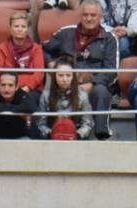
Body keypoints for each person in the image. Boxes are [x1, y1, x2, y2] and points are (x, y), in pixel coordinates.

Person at [43, 0, 119, 131]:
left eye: (93, 15)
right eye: (85, 15)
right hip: (66, 81)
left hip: (94, 85)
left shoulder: (109, 38)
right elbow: (43, 49)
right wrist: (51, 63)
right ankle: (55, 131)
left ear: (100, 17)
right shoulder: (66, 33)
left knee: (101, 91)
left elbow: (111, 72)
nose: (89, 19)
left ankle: (102, 133)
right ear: (80, 16)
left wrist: (91, 84)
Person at [39, 55, 97, 137]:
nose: (64, 79)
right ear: (54, 76)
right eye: (61, 75)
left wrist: (76, 135)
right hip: (52, 139)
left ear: (73, 77)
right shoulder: (46, 95)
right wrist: (51, 134)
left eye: (68, 75)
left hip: (76, 140)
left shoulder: (82, 95)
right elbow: (41, 124)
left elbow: (88, 123)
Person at [0, 9, 46, 89]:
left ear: (27, 30)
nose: (20, 29)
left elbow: (39, 74)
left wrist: (28, 87)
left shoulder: (36, 49)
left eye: (23, 26)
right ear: (10, 29)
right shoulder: (2, 48)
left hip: (30, 89)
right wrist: (6, 87)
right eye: (16, 26)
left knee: (26, 101)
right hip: (6, 88)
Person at [0, 66, 38, 135]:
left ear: (16, 87)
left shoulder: (22, 94)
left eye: (10, 85)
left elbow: (30, 108)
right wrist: (19, 108)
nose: (6, 89)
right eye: (3, 85)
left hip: (20, 137)